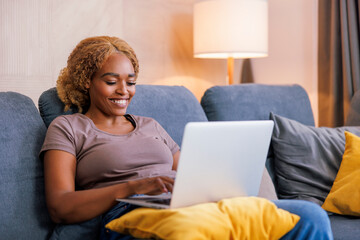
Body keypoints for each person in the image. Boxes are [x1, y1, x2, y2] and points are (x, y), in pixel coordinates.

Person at [40, 36, 333, 240]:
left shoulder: (150, 125)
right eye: (111, 81)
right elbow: (60, 207)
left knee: (310, 215)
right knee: (189, 231)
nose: (123, 91)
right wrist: (135, 186)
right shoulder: (68, 128)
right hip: (128, 214)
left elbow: (191, 173)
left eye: (130, 82)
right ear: (86, 81)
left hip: (185, 206)